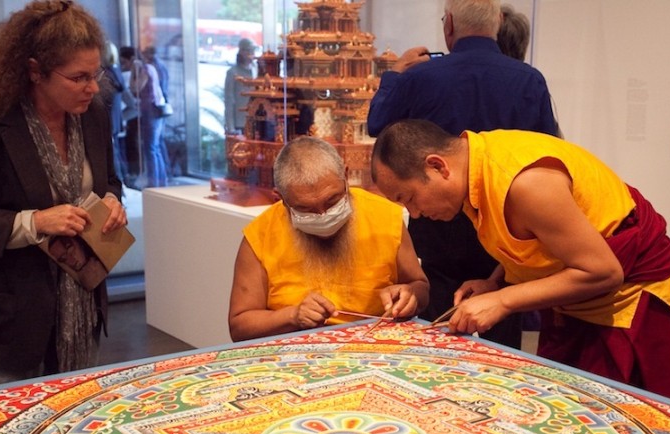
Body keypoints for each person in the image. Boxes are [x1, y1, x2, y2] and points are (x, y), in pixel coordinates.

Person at [371, 120, 670, 401]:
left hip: (626, 302)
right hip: (574, 300)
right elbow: (532, 243)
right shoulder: (475, 172)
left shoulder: (524, 183)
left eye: (409, 198)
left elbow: (604, 271)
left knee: (618, 424)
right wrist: (494, 284)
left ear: (438, 167)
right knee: (564, 409)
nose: (414, 213)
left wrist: (505, 300)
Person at [0, 0, 127, 386]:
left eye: (97, 73)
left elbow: (109, 179)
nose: (94, 87)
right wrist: (35, 222)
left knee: (78, 423)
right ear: (35, 71)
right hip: (13, 320)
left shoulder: (93, 115)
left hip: (83, 306)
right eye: (78, 77)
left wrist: (112, 202)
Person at [366, 0, 557, 351]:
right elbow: (550, 152)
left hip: (439, 223)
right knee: (502, 322)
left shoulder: (421, 77)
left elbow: (378, 126)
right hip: (508, 221)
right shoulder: (528, 80)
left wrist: (395, 73)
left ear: (449, 25)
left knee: (440, 327)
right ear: (498, 24)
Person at [228, 136, 429, 342]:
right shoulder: (261, 234)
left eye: (333, 201)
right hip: (293, 353)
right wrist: (292, 316)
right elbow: (239, 326)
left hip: (373, 346)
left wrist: (409, 295)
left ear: (346, 176)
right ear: (281, 198)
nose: (323, 215)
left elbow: (420, 287)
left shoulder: (385, 217)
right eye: (305, 209)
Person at [133, 45, 168, 187]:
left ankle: (154, 183)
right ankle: (161, 180)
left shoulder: (146, 69)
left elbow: (135, 88)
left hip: (150, 110)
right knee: (156, 147)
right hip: (157, 109)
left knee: (151, 148)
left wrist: (133, 73)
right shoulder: (156, 67)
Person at [99, 41, 127, 181]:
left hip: (108, 119)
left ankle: (121, 183)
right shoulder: (117, 72)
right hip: (115, 118)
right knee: (116, 152)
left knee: (112, 155)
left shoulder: (107, 75)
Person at [224, 38, 255, 134]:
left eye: (252, 51)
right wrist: (231, 127)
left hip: (254, 121)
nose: (251, 54)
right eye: (248, 51)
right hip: (240, 124)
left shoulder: (256, 71)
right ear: (241, 52)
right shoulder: (232, 73)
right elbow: (229, 101)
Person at [119, 45, 139, 185]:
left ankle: (129, 174)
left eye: (123, 62)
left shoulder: (125, 75)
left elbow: (131, 97)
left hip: (128, 117)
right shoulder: (121, 75)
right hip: (125, 117)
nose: (122, 66)